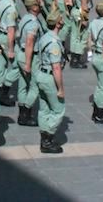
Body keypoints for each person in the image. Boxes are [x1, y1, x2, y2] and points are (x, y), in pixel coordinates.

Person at [34, 8, 66, 154]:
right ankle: (48, 138)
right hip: (49, 78)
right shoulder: (53, 43)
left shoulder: (45, 37)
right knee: (58, 109)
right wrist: (60, 88)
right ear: (58, 23)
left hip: (40, 74)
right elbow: (56, 68)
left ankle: (44, 137)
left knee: (44, 108)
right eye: (61, 18)